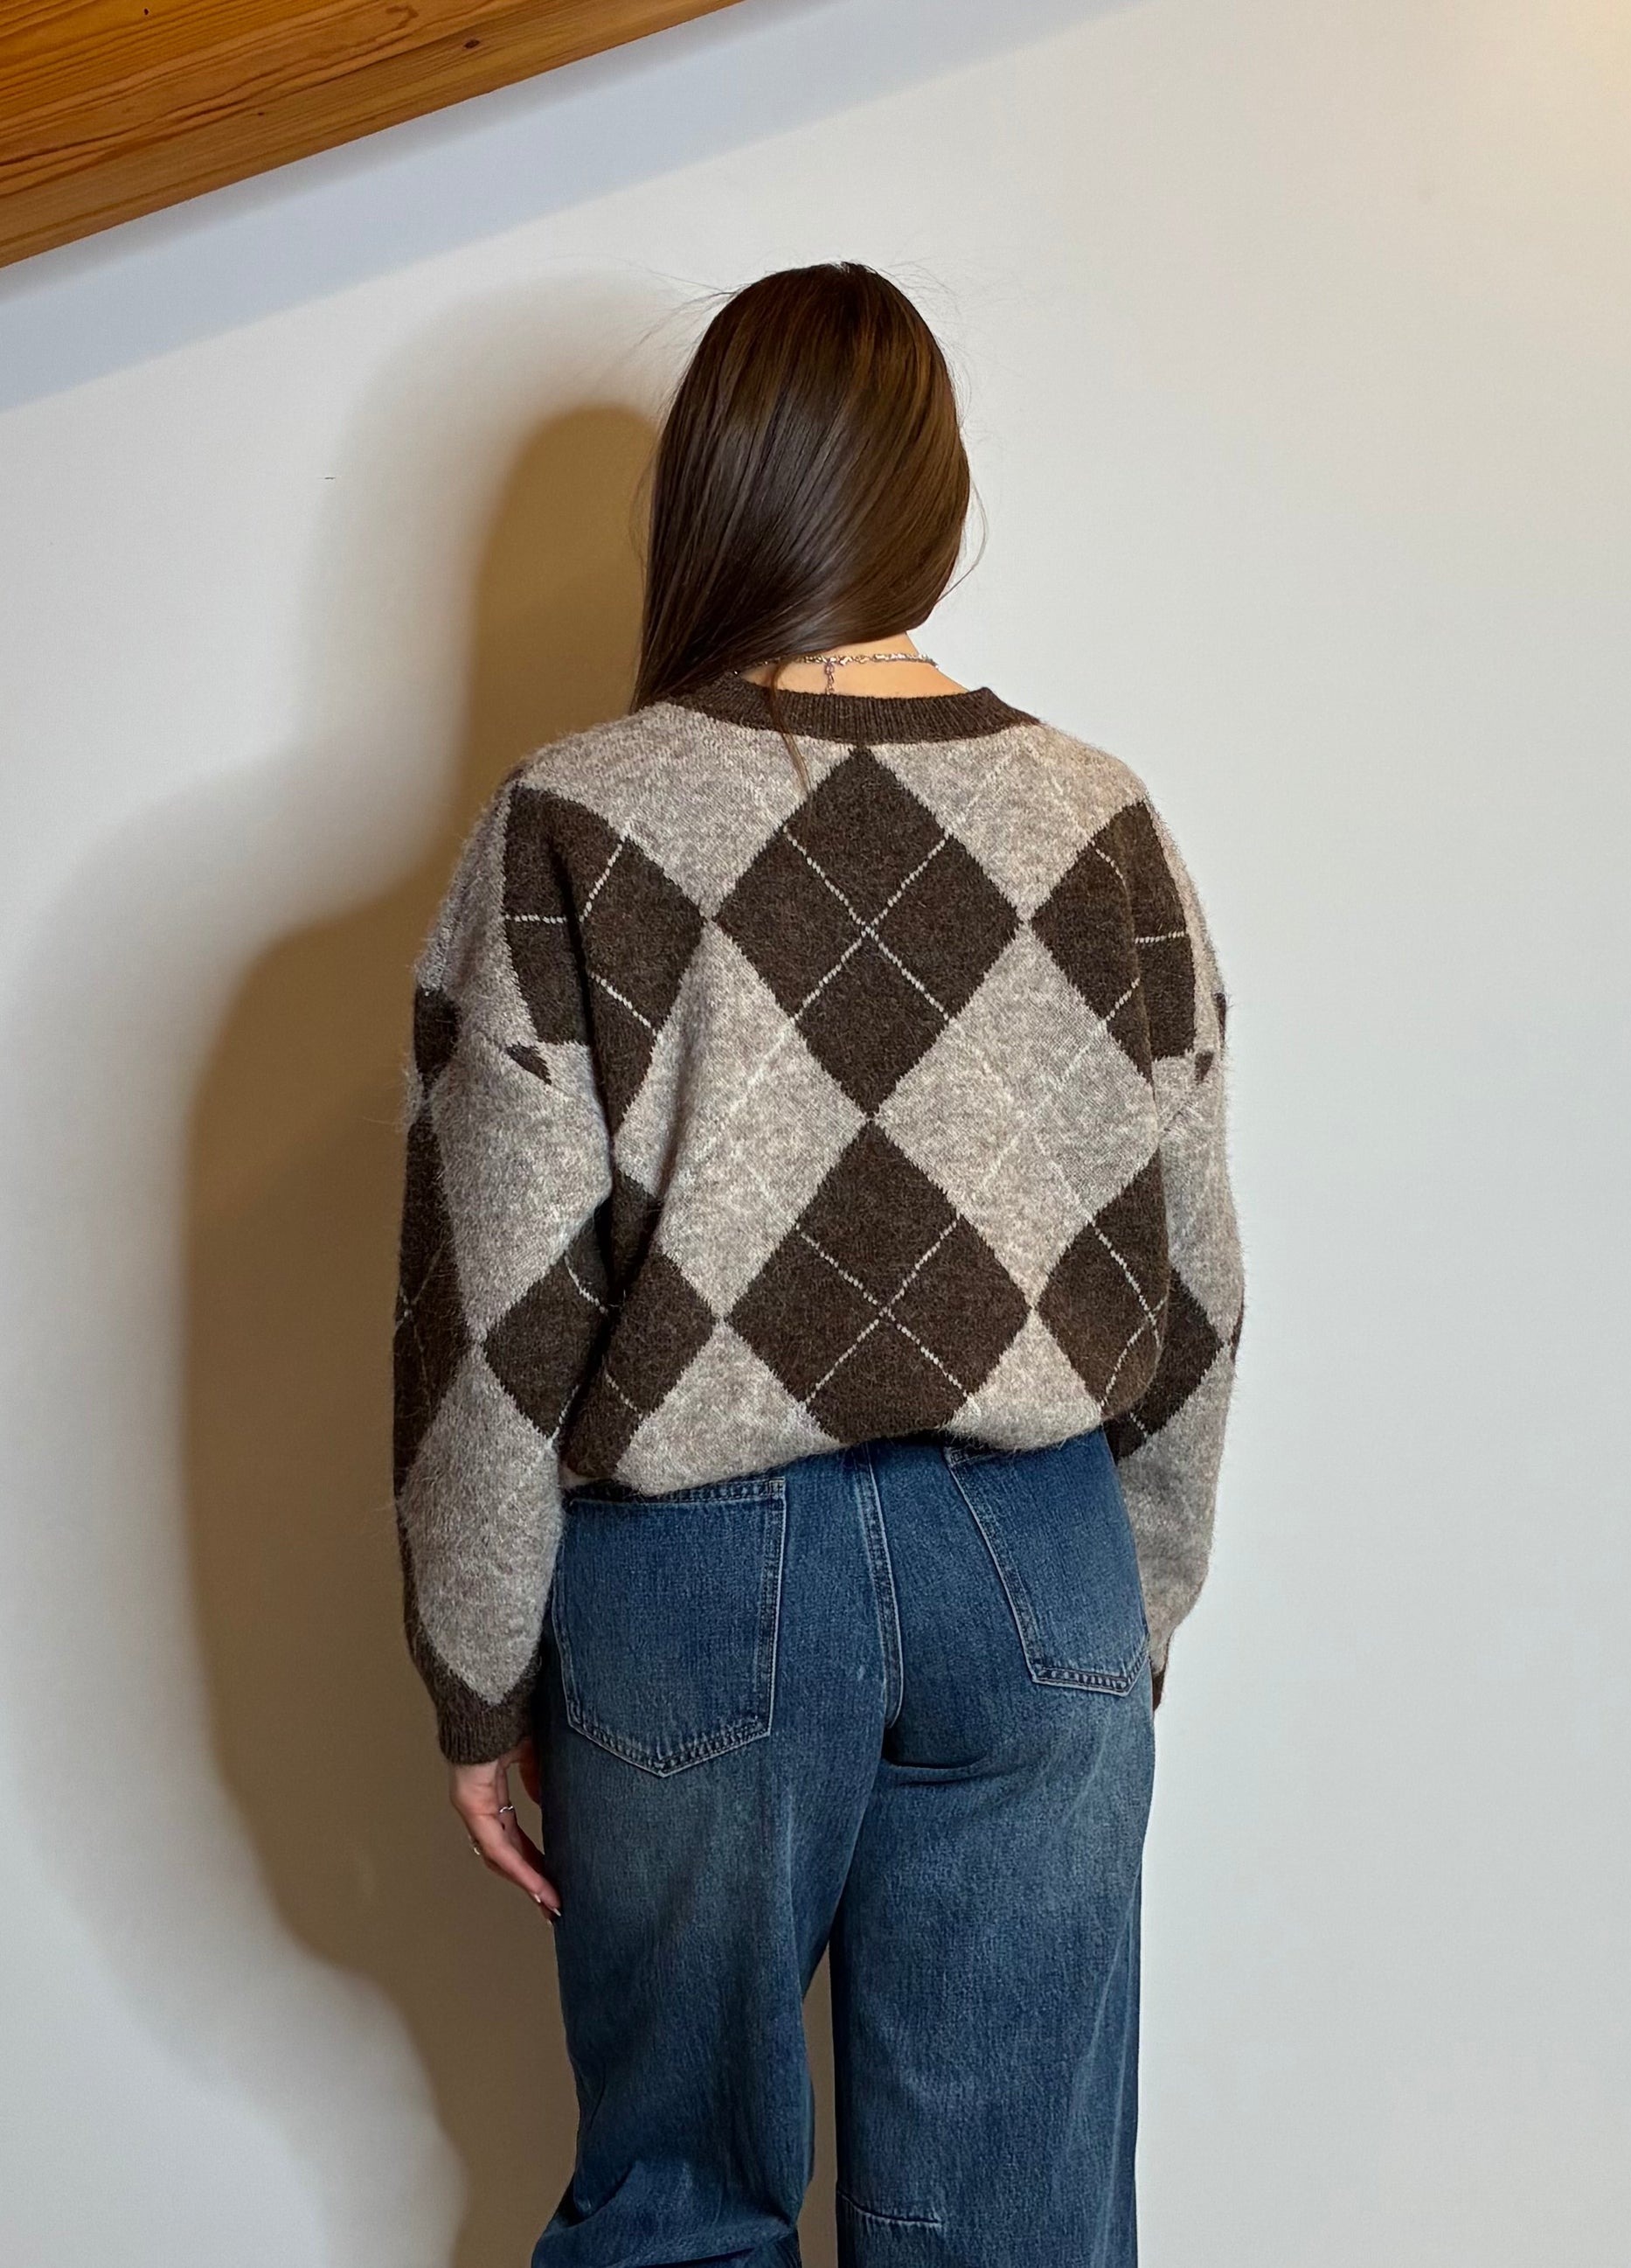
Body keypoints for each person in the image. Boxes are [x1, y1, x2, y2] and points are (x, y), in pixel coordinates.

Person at [391, 260, 1244, 2268]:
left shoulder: (577, 818)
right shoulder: (1100, 823)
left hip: (697, 1591)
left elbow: (490, 1324)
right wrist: (1131, 1608)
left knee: (677, 2209)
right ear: (936, 501)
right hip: (1038, 1562)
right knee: (1014, 2227)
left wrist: (475, 1679)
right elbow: (1192, 1278)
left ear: (713, 495)